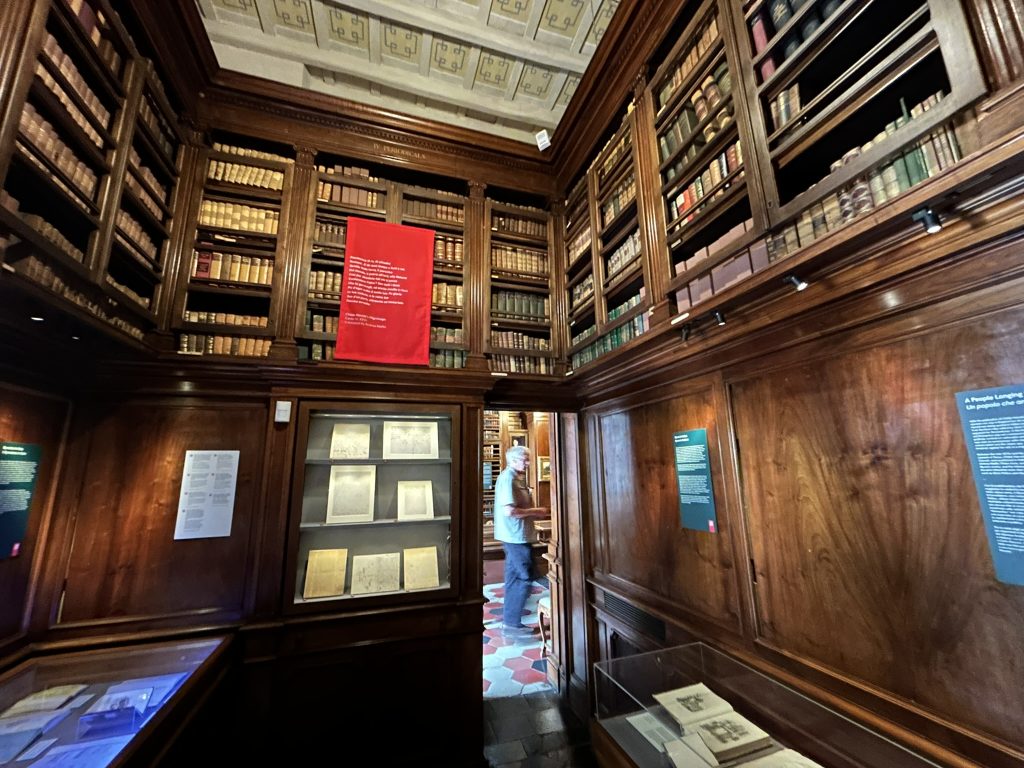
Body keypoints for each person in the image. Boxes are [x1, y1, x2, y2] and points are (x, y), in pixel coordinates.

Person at [493, 444, 549, 637]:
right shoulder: (508, 478)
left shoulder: (516, 478)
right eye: (525, 459)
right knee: (525, 577)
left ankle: (510, 622)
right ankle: (512, 626)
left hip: (516, 536)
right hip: (515, 537)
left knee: (513, 579)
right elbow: (510, 511)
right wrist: (537, 511)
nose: (528, 463)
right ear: (514, 460)